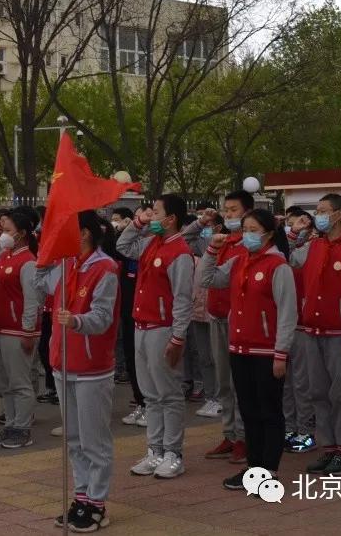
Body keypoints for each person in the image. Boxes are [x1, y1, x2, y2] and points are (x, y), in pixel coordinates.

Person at [200, 209, 297, 493]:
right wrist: (211, 250)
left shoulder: (277, 266)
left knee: (269, 410)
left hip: (267, 351)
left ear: (268, 233)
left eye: (254, 230)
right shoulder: (239, 260)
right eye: (245, 229)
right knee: (249, 410)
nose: (248, 235)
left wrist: (281, 353)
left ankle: (269, 468)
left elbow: (288, 313)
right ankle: (253, 466)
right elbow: (208, 280)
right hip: (239, 348)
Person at [40, 210, 120, 532]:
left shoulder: (106, 269)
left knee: (94, 440)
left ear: (85, 233)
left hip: (91, 369)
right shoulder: (66, 264)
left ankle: (98, 504)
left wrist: (76, 321)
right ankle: (82, 497)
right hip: (63, 364)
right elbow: (38, 286)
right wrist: (43, 258)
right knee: (73, 439)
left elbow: (103, 317)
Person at [116, 194, 195, 480]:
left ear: (171, 218)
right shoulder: (152, 243)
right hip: (142, 326)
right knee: (150, 395)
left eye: (156, 211)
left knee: (168, 394)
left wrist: (178, 337)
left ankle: (174, 453)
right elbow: (122, 245)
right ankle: (155, 449)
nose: (151, 215)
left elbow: (183, 299)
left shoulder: (181, 252)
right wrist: (138, 222)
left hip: (163, 328)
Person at [288, 194, 341, 476]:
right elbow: (290, 260)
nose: (318, 216)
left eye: (323, 211)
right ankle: (328, 447)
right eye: (316, 211)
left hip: (338, 332)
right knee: (318, 392)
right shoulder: (314, 246)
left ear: (338, 215)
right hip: (311, 330)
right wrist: (296, 231)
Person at [0, 206, 42, 449]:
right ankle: (11, 423)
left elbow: (32, 300)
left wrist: (28, 330)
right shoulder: (4, 255)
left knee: (20, 382)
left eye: (7, 230)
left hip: (17, 330)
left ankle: (23, 428)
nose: (2, 233)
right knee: (4, 382)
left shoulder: (28, 262)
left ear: (22, 234)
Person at [201, 190, 252, 463]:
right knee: (223, 382)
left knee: (238, 382)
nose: (228, 214)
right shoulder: (222, 241)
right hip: (216, 317)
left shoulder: (249, 244)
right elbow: (207, 277)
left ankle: (244, 438)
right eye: (227, 209)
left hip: (238, 321)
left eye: (233, 210)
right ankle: (230, 434)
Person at [282, 208, 316, 453]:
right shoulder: (292, 248)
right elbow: (285, 255)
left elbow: (292, 256)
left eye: (300, 223)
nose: (294, 227)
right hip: (285, 322)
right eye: (289, 224)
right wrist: (293, 235)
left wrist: (300, 238)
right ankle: (289, 427)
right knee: (285, 381)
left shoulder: (315, 249)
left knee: (302, 382)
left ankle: (306, 431)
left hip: (305, 324)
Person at [112, 208, 146, 428]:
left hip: (150, 314)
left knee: (146, 363)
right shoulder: (135, 244)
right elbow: (120, 246)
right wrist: (134, 226)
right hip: (129, 308)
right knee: (133, 358)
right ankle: (141, 403)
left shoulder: (154, 244)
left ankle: (149, 405)